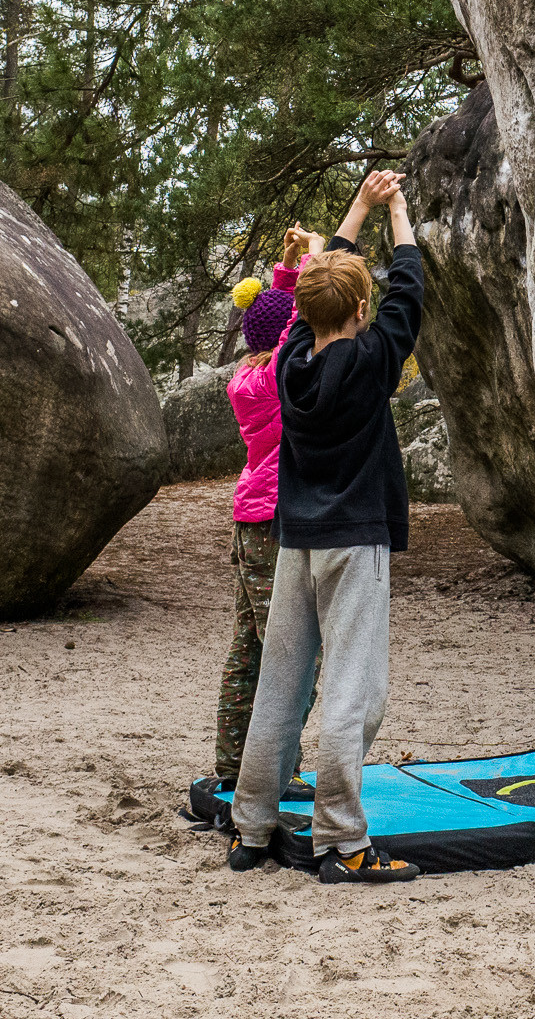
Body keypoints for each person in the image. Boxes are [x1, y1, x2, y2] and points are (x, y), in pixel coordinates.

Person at [228, 171, 424, 885]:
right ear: (362, 307)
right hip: (354, 541)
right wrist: (396, 210)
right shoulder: (372, 361)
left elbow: (333, 286)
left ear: (302, 312)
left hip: (295, 541)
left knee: (281, 681)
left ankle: (251, 830)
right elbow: (410, 286)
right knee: (353, 691)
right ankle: (342, 843)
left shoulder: (286, 363)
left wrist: (359, 211)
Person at [213, 224, 323, 798]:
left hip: (245, 518)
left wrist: (284, 269)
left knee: (247, 647)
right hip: (275, 523)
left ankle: (232, 763)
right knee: (294, 651)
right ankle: (279, 766)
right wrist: (315, 257)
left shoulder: (245, 375)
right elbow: (300, 324)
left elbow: (275, 322)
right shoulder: (283, 373)